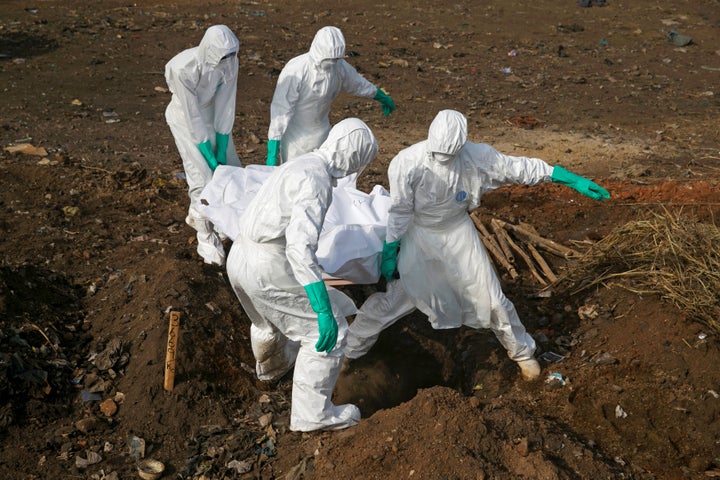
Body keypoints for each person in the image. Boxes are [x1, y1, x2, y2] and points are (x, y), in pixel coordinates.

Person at [344, 109, 610, 381]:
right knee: (401, 297)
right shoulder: (406, 162)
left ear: (461, 147)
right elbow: (400, 210)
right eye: (438, 155)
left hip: (458, 233)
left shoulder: (477, 157)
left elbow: (519, 168)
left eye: (449, 156)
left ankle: (522, 355)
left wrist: (568, 178)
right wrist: (391, 248)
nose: (443, 161)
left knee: (491, 297)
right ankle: (349, 351)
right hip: (420, 235)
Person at [227, 118, 379, 431]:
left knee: (265, 321)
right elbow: (299, 248)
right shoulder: (317, 181)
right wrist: (322, 307)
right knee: (329, 331)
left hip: (240, 254)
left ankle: (270, 372)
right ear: (352, 157)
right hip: (268, 264)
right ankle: (312, 414)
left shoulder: (301, 164)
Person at [165, 25, 241, 266]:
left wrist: (222, 143)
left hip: (211, 115)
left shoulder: (229, 63)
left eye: (232, 55)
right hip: (185, 118)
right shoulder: (183, 68)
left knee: (231, 169)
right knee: (202, 176)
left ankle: (216, 219)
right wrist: (208, 155)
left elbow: (226, 103)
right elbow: (192, 115)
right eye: (223, 55)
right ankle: (206, 237)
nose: (228, 60)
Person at [265, 26, 395, 166]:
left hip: (324, 134)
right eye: (329, 59)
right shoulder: (297, 70)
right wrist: (273, 146)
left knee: (323, 174)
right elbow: (282, 108)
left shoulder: (339, 67)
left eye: (336, 59)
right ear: (319, 53)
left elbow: (358, 84)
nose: (332, 63)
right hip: (296, 139)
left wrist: (380, 96)